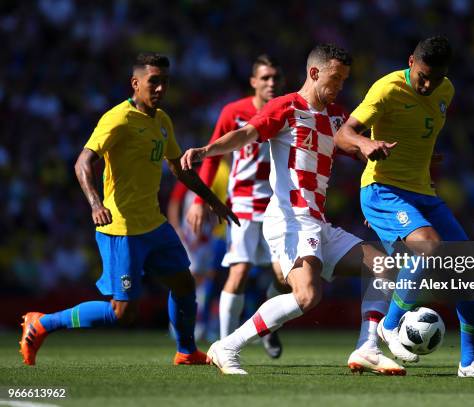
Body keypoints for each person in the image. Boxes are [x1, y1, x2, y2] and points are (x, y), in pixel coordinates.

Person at [181, 44, 403, 375]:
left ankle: (367, 347)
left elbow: (356, 147)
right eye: (335, 79)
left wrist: (386, 153)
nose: (340, 87)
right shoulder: (285, 107)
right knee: (307, 296)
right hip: (290, 219)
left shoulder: (336, 117)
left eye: (344, 80)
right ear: (314, 73)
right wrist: (207, 151)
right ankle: (227, 346)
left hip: (316, 222)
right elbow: (245, 134)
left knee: (382, 264)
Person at [19, 52, 239, 366]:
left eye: (165, 82)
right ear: (135, 84)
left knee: (184, 283)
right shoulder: (117, 119)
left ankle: (186, 351)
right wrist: (96, 204)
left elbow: (179, 170)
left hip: (154, 224)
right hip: (121, 229)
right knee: (123, 313)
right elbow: (82, 163)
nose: (161, 88)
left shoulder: (163, 121)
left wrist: (214, 201)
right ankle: (41, 324)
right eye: (154, 82)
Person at [335, 36, 474, 378]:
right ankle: (390, 325)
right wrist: (367, 143)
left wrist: (425, 157)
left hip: (422, 192)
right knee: (429, 248)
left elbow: (421, 134)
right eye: (423, 76)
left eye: (436, 78)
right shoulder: (387, 88)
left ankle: (470, 363)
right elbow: (344, 133)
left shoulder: (447, 91)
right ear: (411, 61)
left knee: (468, 269)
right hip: (382, 190)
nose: (428, 85)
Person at [185, 55, 289, 358]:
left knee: (285, 279)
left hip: (278, 206)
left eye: (276, 78)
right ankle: (225, 345)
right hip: (242, 203)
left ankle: (268, 328)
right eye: (265, 78)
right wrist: (199, 199)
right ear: (253, 82)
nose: (271, 83)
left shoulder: (289, 110)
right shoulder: (234, 112)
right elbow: (212, 156)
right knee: (240, 270)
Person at [167, 158, 230, 341]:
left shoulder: (213, 177)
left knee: (208, 278)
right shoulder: (188, 178)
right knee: (190, 278)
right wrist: (177, 228)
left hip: (207, 236)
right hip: (189, 236)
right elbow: (175, 203)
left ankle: (202, 323)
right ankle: (180, 323)